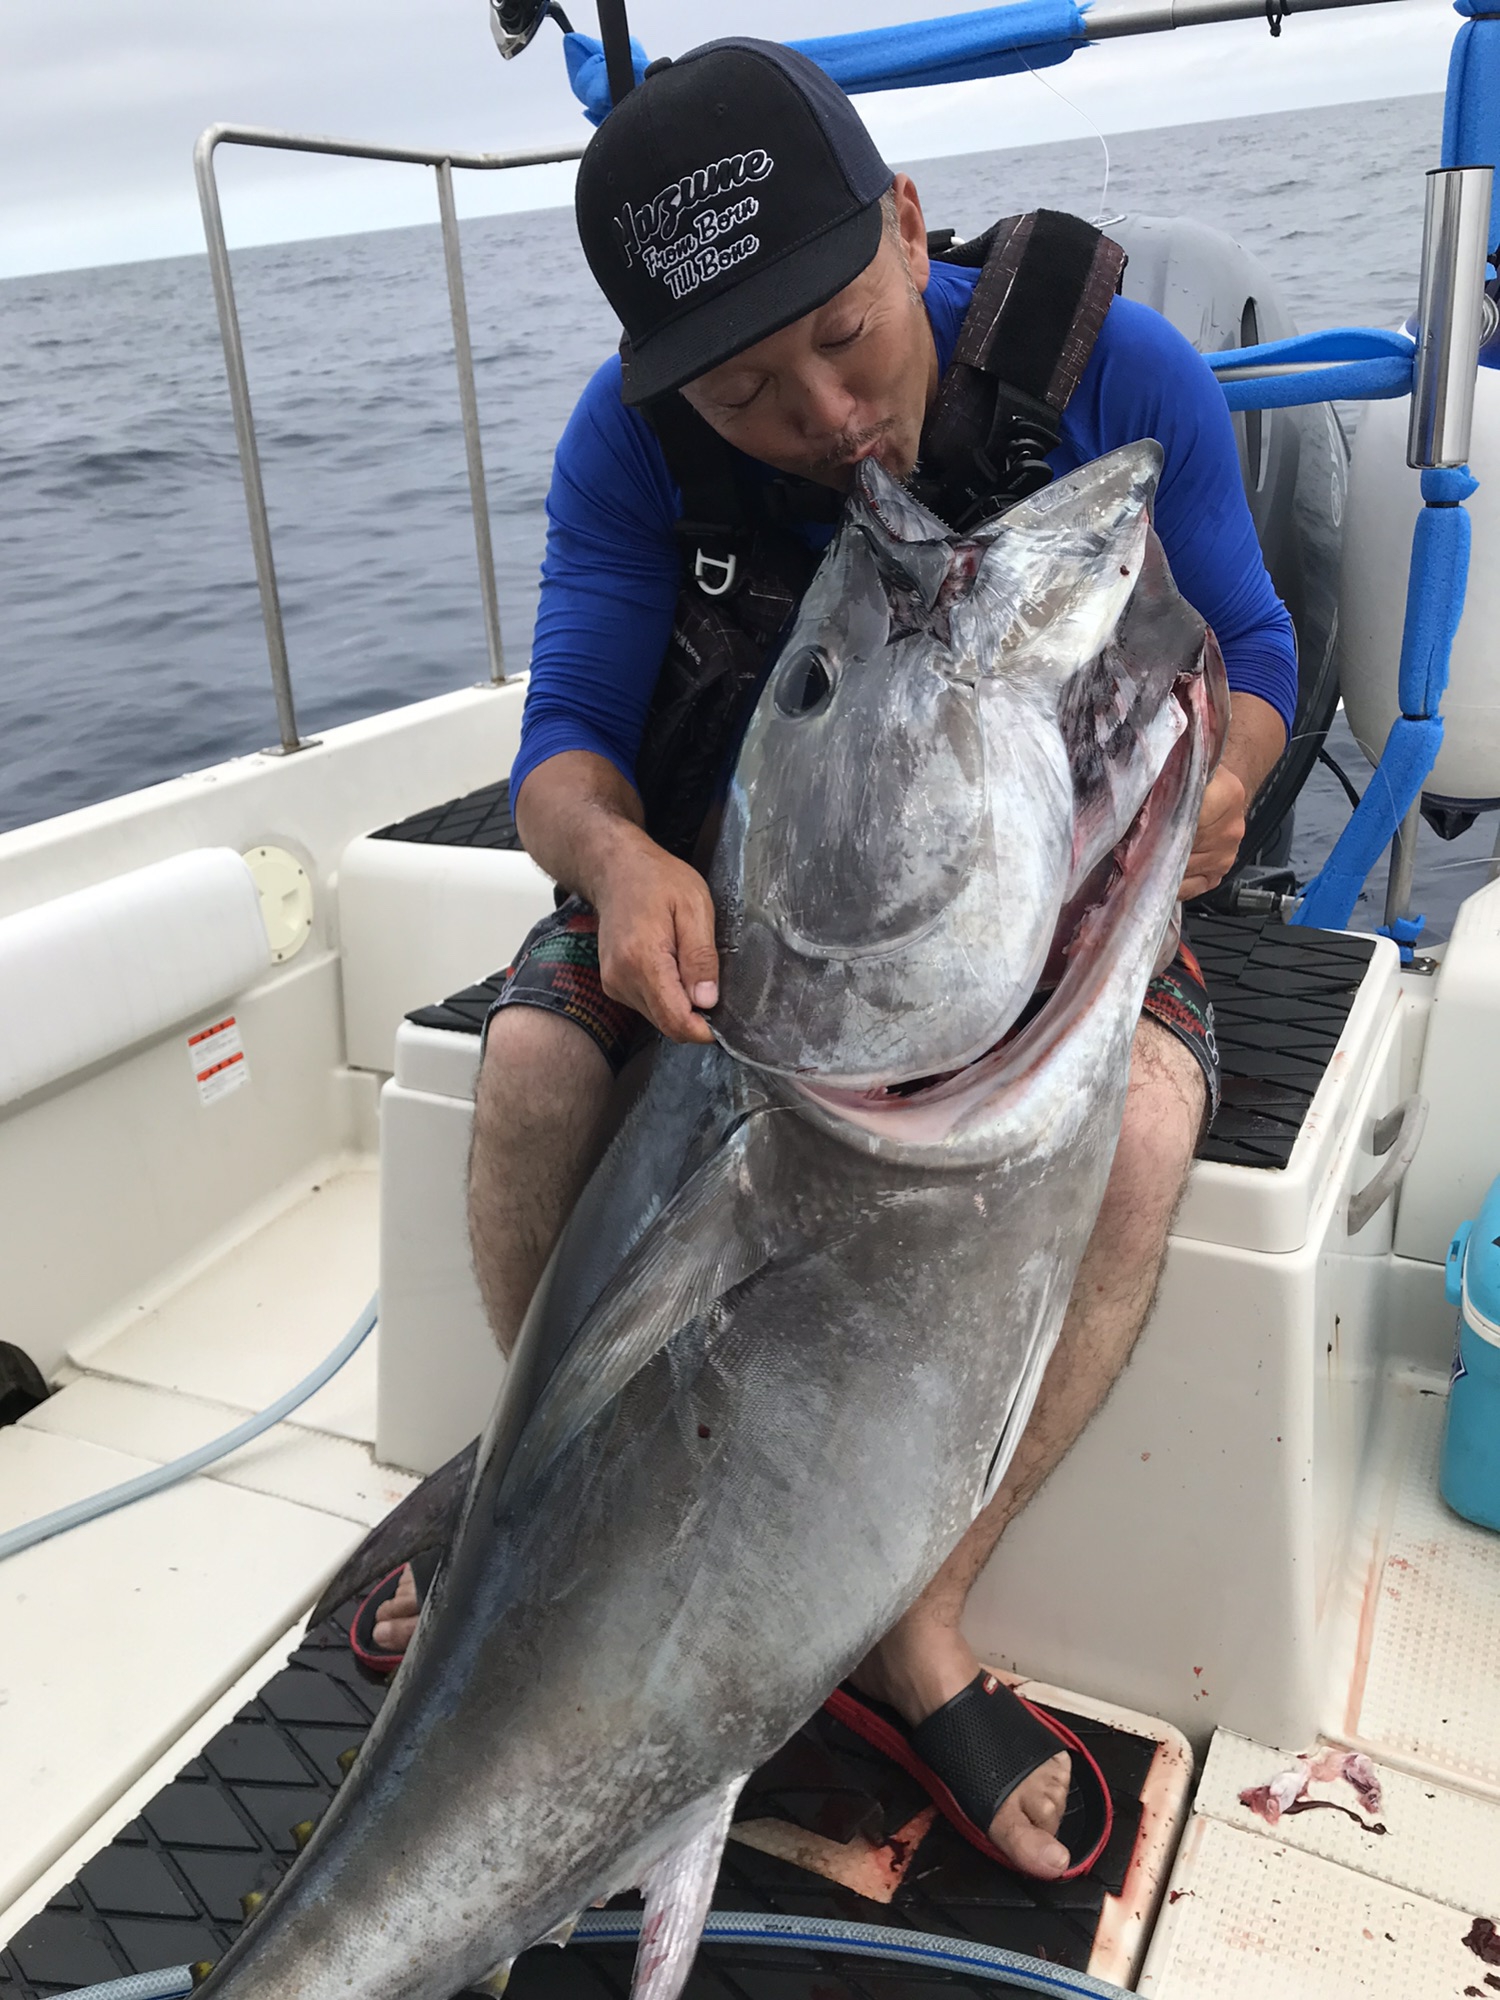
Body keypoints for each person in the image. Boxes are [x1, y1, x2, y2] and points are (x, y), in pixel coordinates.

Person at [366, 38, 1294, 1881]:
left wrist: (1232, 785)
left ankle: (915, 1611)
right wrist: (619, 862)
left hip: (1060, 902)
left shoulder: (1115, 371)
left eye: (845, 339)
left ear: (906, 220)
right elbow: (563, 746)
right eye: (741, 389)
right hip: (746, 897)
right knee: (537, 1067)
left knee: (1144, 1131)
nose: (819, 414)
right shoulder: (624, 450)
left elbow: (1251, 645)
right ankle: (544, 1517)